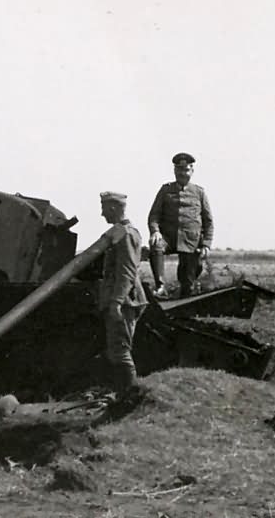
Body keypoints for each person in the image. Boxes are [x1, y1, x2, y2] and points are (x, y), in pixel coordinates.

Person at [97, 191, 148, 394]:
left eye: (104, 208)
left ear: (114, 208)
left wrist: (116, 303)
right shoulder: (122, 232)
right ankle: (122, 395)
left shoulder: (125, 234)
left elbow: (126, 272)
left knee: (120, 352)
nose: (102, 214)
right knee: (116, 351)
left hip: (125, 301)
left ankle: (130, 397)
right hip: (122, 299)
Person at [147, 152, 214, 298]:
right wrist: (155, 231)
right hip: (168, 238)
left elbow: (208, 221)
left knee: (188, 282)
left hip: (191, 242)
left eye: (186, 170)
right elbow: (154, 215)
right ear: (175, 171)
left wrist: (206, 244)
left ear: (192, 171)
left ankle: (183, 298)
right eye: (179, 170)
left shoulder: (199, 192)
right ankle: (160, 286)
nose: (182, 173)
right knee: (156, 245)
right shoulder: (165, 190)